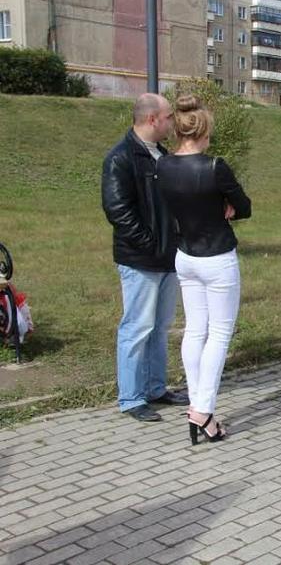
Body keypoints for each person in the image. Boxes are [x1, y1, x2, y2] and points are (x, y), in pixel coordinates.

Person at [157, 95, 252, 444]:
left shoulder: (163, 165)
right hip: (216, 257)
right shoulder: (215, 167)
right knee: (219, 333)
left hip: (186, 255)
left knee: (195, 330)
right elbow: (245, 207)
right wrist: (226, 205)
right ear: (204, 129)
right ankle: (202, 408)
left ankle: (200, 408)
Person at [101, 93, 188, 422]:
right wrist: (151, 245)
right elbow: (118, 212)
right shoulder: (121, 159)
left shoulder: (162, 156)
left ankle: (155, 388)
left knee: (160, 327)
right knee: (136, 327)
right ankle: (131, 397)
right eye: (168, 117)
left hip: (168, 257)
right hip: (140, 260)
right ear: (152, 119)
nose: (171, 123)